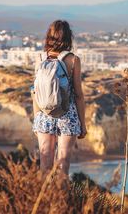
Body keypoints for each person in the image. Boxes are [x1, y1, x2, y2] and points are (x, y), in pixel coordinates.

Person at [32, 20, 87, 174]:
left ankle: (45, 198)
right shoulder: (73, 60)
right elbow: (78, 95)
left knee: (45, 165)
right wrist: (83, 124)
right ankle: (62, 198)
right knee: (63, 165)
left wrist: (37, 118)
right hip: (67, 115)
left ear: (49, 36)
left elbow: (35, 91)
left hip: (44, 115)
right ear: (69, 37)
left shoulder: (40, 58)